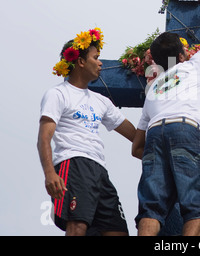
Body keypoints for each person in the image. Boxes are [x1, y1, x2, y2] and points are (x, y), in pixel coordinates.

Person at [132, 0, 200, 236]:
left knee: (151, 209)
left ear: (157, 62)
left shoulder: (153, 88)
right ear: (182, 55)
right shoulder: (193, 66)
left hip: (154, 134)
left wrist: (164, 164)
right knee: (197, 209)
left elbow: (136, 148)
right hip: (186, 130)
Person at [37, 27, 136, 236]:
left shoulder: (102, 101)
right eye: (96, 57)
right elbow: (44, 138)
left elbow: (135, 136)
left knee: (118, 232)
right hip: (73, 163)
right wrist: (49, 173)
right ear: (80, 61)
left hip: (100, 170)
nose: (100, 63)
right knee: (78, 226)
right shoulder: (58, 94)